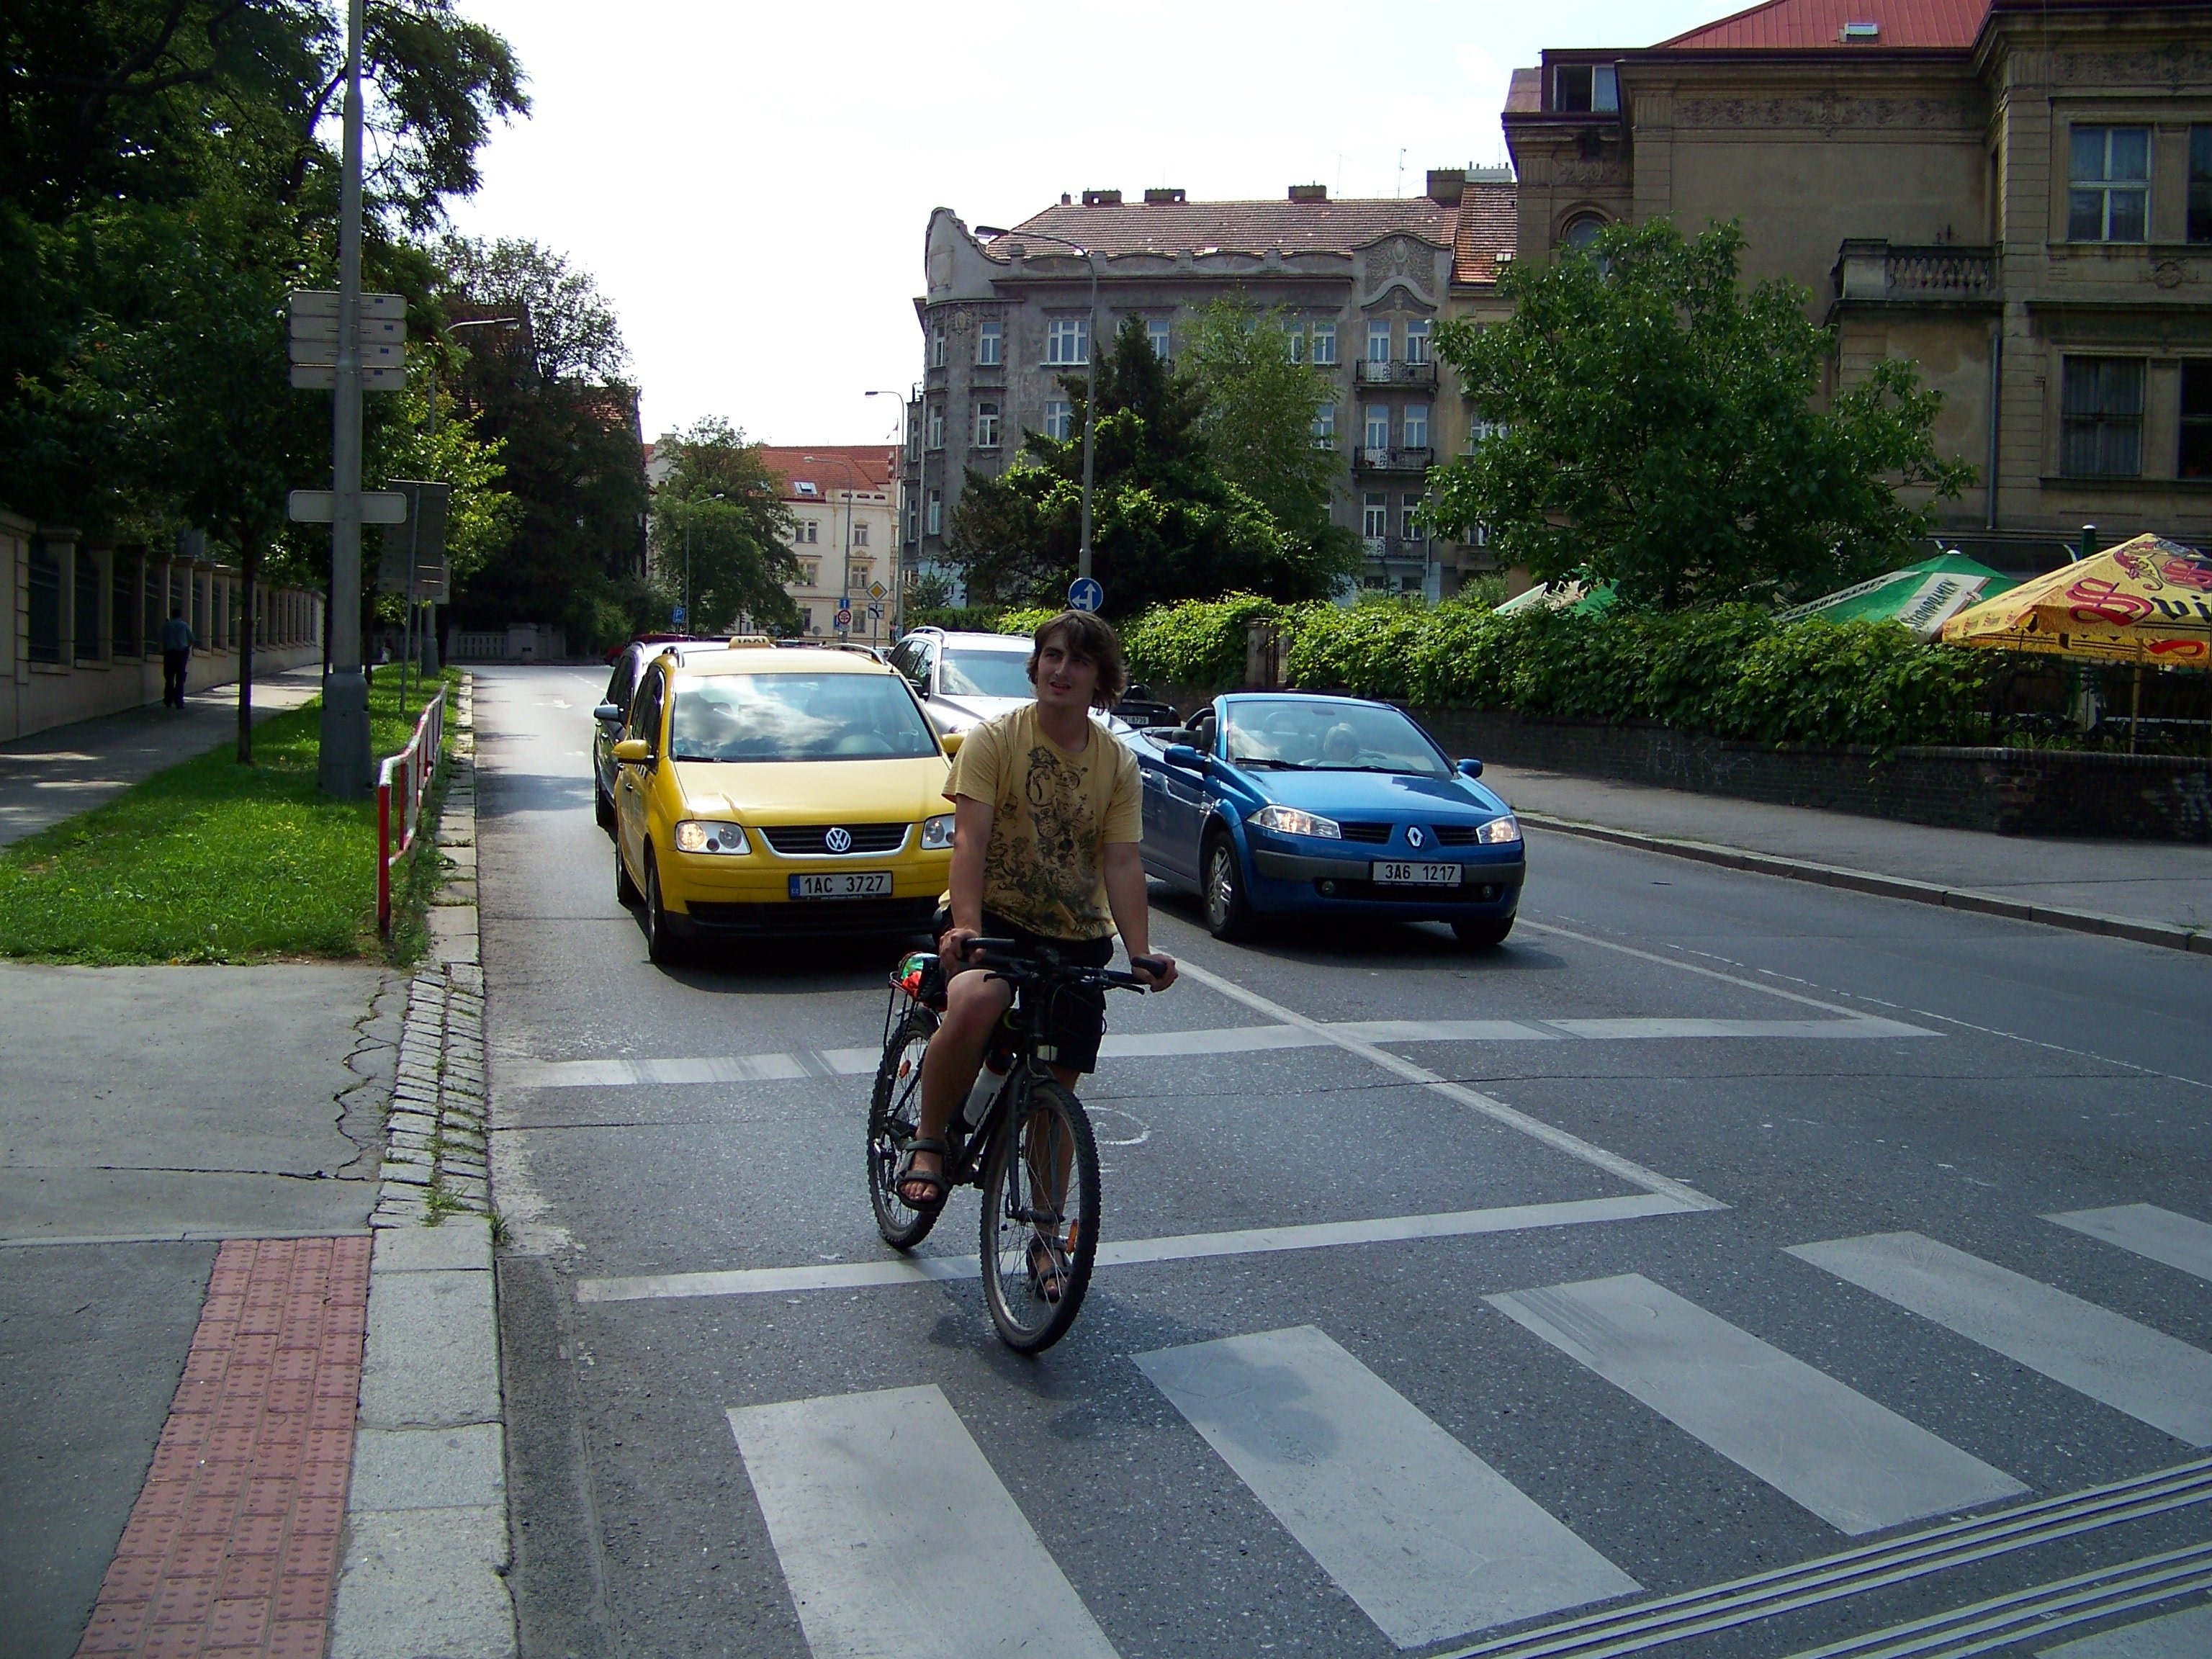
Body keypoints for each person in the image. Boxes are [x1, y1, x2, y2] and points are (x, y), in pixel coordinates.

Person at [896, 611, 1177, 1231]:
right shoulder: (996, 740)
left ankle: (1048, 1232)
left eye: (1078, 660)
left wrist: (1141, 952)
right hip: (993, 917)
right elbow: (969, 842)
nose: (1061, 670)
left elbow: (1123, 862)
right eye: (1052, 656)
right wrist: (964, 927)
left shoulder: (1116, 763)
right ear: (1037, 666)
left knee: (1056, 1089)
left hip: (1076, 934)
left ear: (1100, 679)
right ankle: (930, 1138)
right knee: (976, 1002)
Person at [160, 607, 194, 709]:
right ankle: (179, 701)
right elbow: (192, 639)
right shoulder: (184, 625)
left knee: (169, 677)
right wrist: (186, 647)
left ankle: (168, 699)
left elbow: (162, 638)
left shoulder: (167, 625)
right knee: (180, 678)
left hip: (170, 653)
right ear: (180, 616)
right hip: (181, 653)